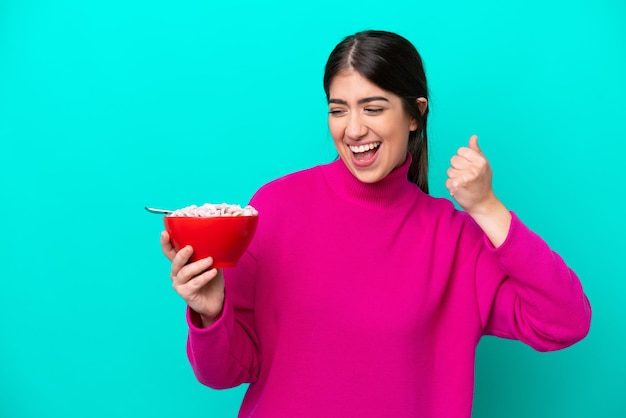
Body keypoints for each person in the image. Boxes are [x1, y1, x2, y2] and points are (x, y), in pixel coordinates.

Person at [160, 30, 591, 417]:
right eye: (338, 109)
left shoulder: (455, 239)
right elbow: (224, 373)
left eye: (373, 107)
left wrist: (486, 207)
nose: (353, 129)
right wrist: (210, 309)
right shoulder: (275, 207)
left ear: (414, 114)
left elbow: (565, 321)